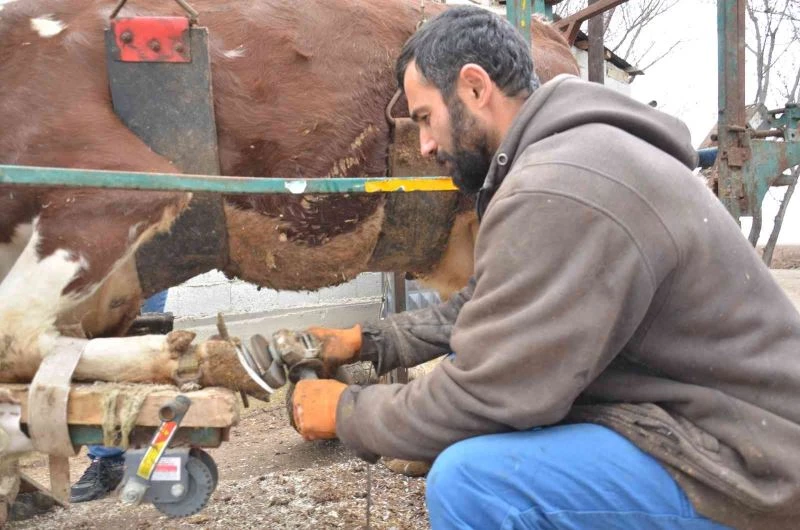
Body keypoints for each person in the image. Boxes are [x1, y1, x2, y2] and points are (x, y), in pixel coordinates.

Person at [282, 6, 800, 530]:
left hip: (748, 465)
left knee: (475, 483)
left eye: (424, 118)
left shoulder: (563, 180)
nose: (426, 145)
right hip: (727, 431)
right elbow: (493, 302)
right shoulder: (577, 153)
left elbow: (494, 394)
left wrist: (347, 412)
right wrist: (370, 341)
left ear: (475, 88)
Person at [70, 290, 170, 503]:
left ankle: (152, 455)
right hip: (99, 265)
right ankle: (109, 460)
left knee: (147, 346)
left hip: (149, 261)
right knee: (100, 352)